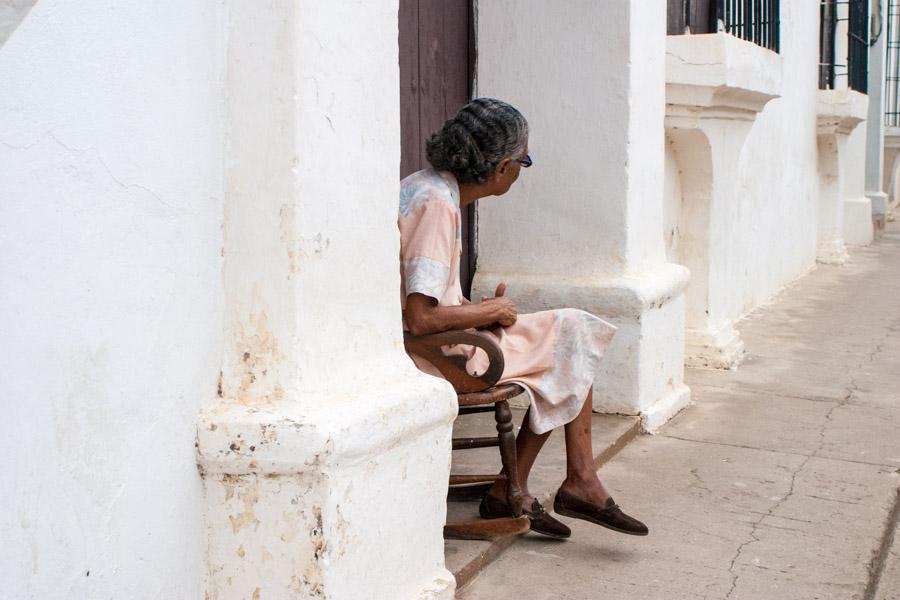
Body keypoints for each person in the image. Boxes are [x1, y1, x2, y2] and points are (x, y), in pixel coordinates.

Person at [398, 98, 648, 538]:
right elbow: (419, 317)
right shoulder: (437, 205)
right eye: (524, 162)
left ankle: (559, 482)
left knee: (575, 333)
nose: (520, 172)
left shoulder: (428, 187)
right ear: (501, 169)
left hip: (451, 340)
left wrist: (477, 313)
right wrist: (487, 311)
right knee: (570, 341)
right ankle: (572, 483)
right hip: (434, 357)